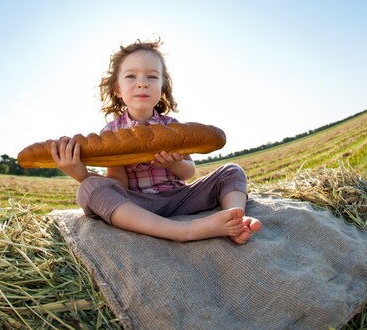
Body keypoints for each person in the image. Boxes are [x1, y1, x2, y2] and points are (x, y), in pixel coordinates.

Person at [51, 38, 262, 244]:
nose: (142, 83)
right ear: (117, 89)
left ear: (162, 87)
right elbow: (119, 183)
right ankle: (182, 230)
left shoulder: (173, 127)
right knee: (89, 188)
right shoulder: (110, 133)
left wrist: (174, 164)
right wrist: (80, 174)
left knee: (232, 171)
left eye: (151, 77)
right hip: (138, 206)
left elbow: (189, 172)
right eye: (131, 76)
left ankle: (236, 220)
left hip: (182, 198)